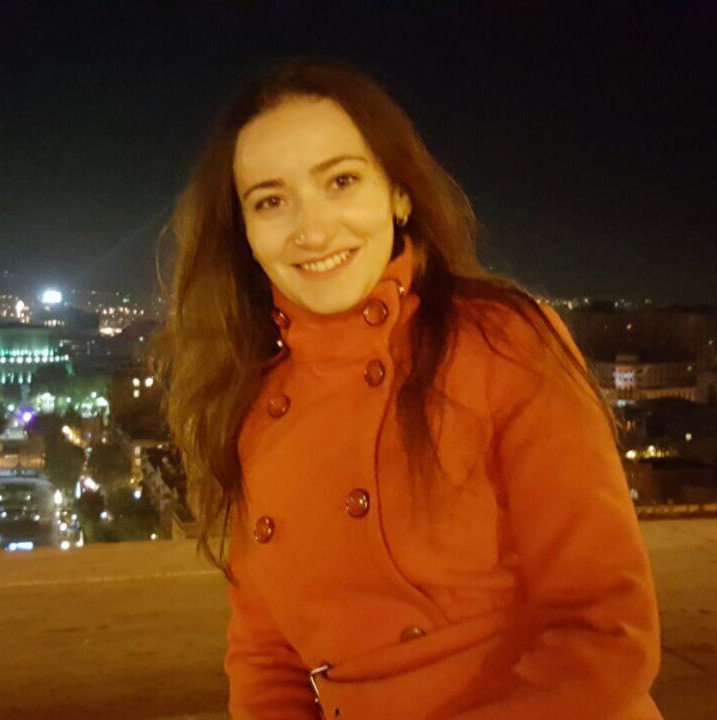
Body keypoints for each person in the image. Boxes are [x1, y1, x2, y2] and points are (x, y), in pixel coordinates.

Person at [152, 59, 662, 719]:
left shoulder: (503, 342)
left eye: (340, 181)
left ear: (398, 194)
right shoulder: (249, 402)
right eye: (270, 201)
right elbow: (266, 654)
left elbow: (605, 627)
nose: (312, 230)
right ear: (244, 233)